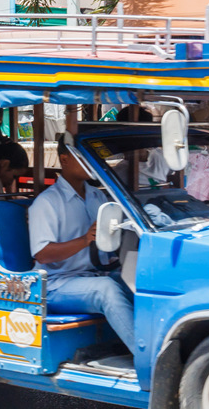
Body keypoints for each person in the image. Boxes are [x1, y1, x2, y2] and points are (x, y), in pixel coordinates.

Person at [29, 133, 135, 355]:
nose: (90, 163)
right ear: (64, 159)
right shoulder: (47, 202)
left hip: (93, 275)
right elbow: (43, 255)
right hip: (57, 284)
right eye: (83, 157)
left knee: (139, 280)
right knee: (106, 290)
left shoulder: (98, 196)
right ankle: (147, 359)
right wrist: (86, 240)